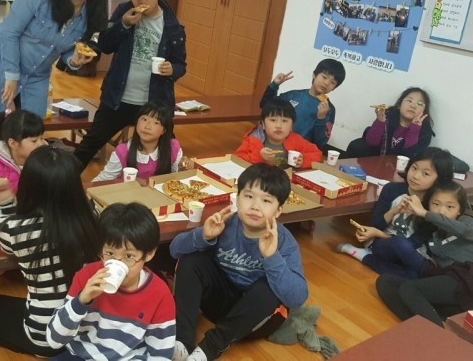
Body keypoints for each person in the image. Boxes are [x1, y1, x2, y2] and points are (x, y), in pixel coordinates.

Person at [0, 146, 100, 357]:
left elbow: (7, 242)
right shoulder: (92, 214)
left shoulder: (17, 230)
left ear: (28, 185)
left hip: (48, 336)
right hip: (90, 327)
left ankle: (45, 350)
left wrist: (6, 202)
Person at [170, 163, 308, 361]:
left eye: (266, 200)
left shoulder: (284, 241)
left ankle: (210, 348)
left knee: (268, 290)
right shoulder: (224, 223)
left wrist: (272, 257)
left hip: (256, 320)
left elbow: (297, 298)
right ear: (237, 198)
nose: (255, 206)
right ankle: (182, 342)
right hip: (220, 305)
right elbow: (174, 250)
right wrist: (203, 236)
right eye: (249, 196)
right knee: (192, 258)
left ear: (278, 211)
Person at [74, 0, 187, 168]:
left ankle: (161, 187)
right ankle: (60, 182)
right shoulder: (124, 13)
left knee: (166, 153)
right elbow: (105, 45)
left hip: (154, 105)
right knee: (88, 146)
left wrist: (172, 70)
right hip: (117, 99)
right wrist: (124, 24)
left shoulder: (172, 25)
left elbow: (181, 64)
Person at [47, 202, 176, 360]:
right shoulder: (86, 276)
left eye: (129, 256)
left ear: (149, 254)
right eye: (109, 253)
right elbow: (54, 340)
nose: (117, 263)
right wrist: (81, 301)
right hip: (82, 355)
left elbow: (161, 355)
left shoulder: (159, 294)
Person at [376, 182, 473, 327]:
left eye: (450, 207)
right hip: (454, 288)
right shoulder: (432, 234)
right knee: (386, 282)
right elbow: (405, 246)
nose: (441, 211)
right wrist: (378, 233)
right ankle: (429, 328)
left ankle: (437, 333)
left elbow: (460, 229)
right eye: (436, 204)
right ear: (428, 205)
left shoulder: (467, 223)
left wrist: (425, 213)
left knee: (409, 289)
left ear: (460, 210)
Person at [337, 147, 453, 279]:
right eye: (414, 168)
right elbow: (375, 224)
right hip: (381, 243)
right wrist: (394, 211)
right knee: (401, 246)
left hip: (411, 250)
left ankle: (365, 257)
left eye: (425, 174)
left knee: (413, 275)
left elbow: (415, 242)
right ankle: (432, 274)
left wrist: (422, 213)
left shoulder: (435, 204)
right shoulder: (391, 189)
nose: (415, 176)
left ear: (439, 179)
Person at [259, 58, 346, 149]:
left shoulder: (329, 109)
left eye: (333, 82)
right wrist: (274, 85)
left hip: (300, 150)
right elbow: (264, 105)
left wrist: (321, 119)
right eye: (324, 77)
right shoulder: (293, 95)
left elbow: (320, 143)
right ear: (314, 75)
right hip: (276, 144)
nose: (326, 83)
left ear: (334, 88)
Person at [92, 101, 183, 181]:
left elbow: (175, 177)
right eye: (144, 119)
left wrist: (183, 168)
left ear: (164, 130)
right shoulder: (123, 151)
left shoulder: (173, 147)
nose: (147, 126)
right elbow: (103, 179)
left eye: (156, 122)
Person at [345, 87, 434, 158]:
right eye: (409, 101)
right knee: (356, 145)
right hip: (375, 160)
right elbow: (371, 143)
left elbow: (409, 157)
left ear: (424, 111)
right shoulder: (388, 117)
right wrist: (380, 122)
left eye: (419, 104)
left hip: (399, 168)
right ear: (399, 105)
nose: (413, 105)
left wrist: (414, 130)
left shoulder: (425, 133)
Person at [235, 98, 323, 169]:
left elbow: (317, 154)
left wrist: (303, 161)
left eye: (284, 121)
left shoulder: (295, 139)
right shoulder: (253, 140)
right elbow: (236, 160)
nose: (279, 126)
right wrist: (259, 156)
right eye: (273, 120)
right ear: (263, 124)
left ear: (291, 126)